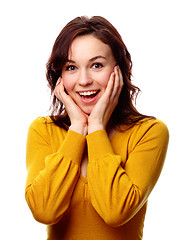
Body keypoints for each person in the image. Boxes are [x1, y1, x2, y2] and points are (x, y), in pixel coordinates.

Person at [25, 16, 169, 240]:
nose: (84, 80)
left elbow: (115, 211)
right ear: (60, 77)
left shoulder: (149, 132)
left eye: (96, 65)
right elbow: (44, 211)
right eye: (71, 67)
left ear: (118, 69)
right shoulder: (43, 130)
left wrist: (96, 128)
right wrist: (77, 129)